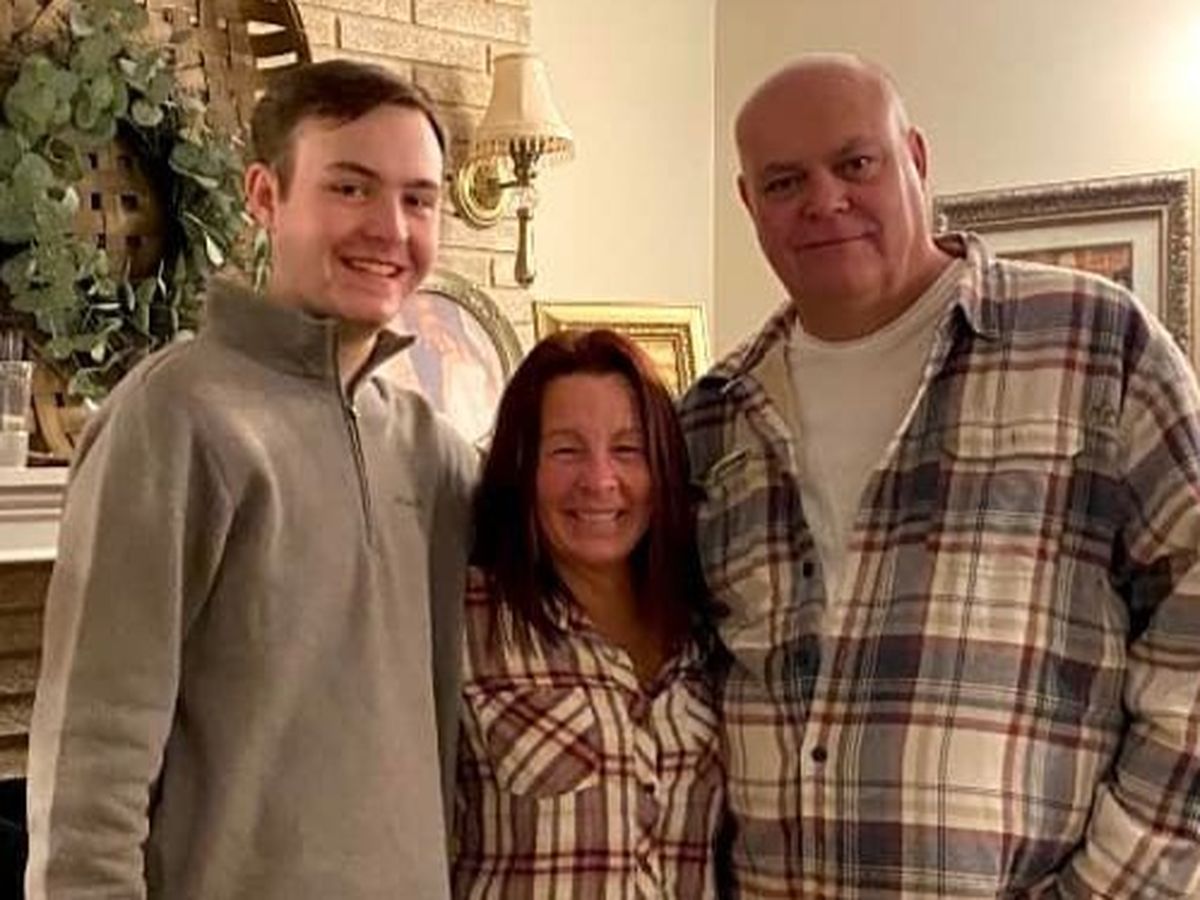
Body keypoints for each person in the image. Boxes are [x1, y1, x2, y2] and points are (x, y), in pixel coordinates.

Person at [679, 53, 1200, 897]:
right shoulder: (713, 417)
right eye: (784, 182)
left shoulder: (1094, 344)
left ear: (916, 159)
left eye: (855, 163)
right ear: (749, 202)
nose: (824, 200)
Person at [25, 60, 476, 899]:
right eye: (350, 187)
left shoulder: (433, 453)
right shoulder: (172, 418)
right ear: (266, 196)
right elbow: (93, 753)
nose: (390, 227)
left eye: (418, 199)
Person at [453, 329, 724, 898]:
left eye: (628, 450)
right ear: (522, 467)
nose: (600, 481)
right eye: (566, 451)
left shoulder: (710, 632)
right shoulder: (466, 621)